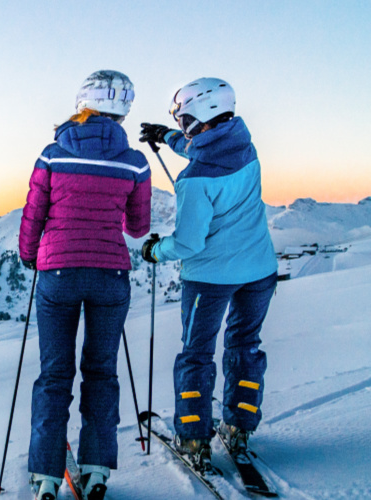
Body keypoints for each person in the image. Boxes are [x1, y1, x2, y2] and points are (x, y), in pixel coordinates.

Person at [19, 70, 151, 500]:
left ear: (82, 103)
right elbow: (138, 227)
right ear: (123, 110)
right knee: (102, 372)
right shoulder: (135, 162)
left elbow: (33, 215)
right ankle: (96, 470)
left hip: (57, 274)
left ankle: (45, 477)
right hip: (111, 275)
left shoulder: (52, 154)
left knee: (54, 375)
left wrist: (29, 255)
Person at [138, 77, 278, 467]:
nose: (182, 126)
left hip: (210, 278)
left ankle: (195, 438)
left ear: (199, 115)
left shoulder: (195, 180)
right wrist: (167, 136)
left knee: (196, 356)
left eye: (183, 119)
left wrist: (155, 249)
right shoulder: (245, 147)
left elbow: (188, 244)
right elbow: (205, 148)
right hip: (260, 271)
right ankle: (239, 427)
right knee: (244, 346)